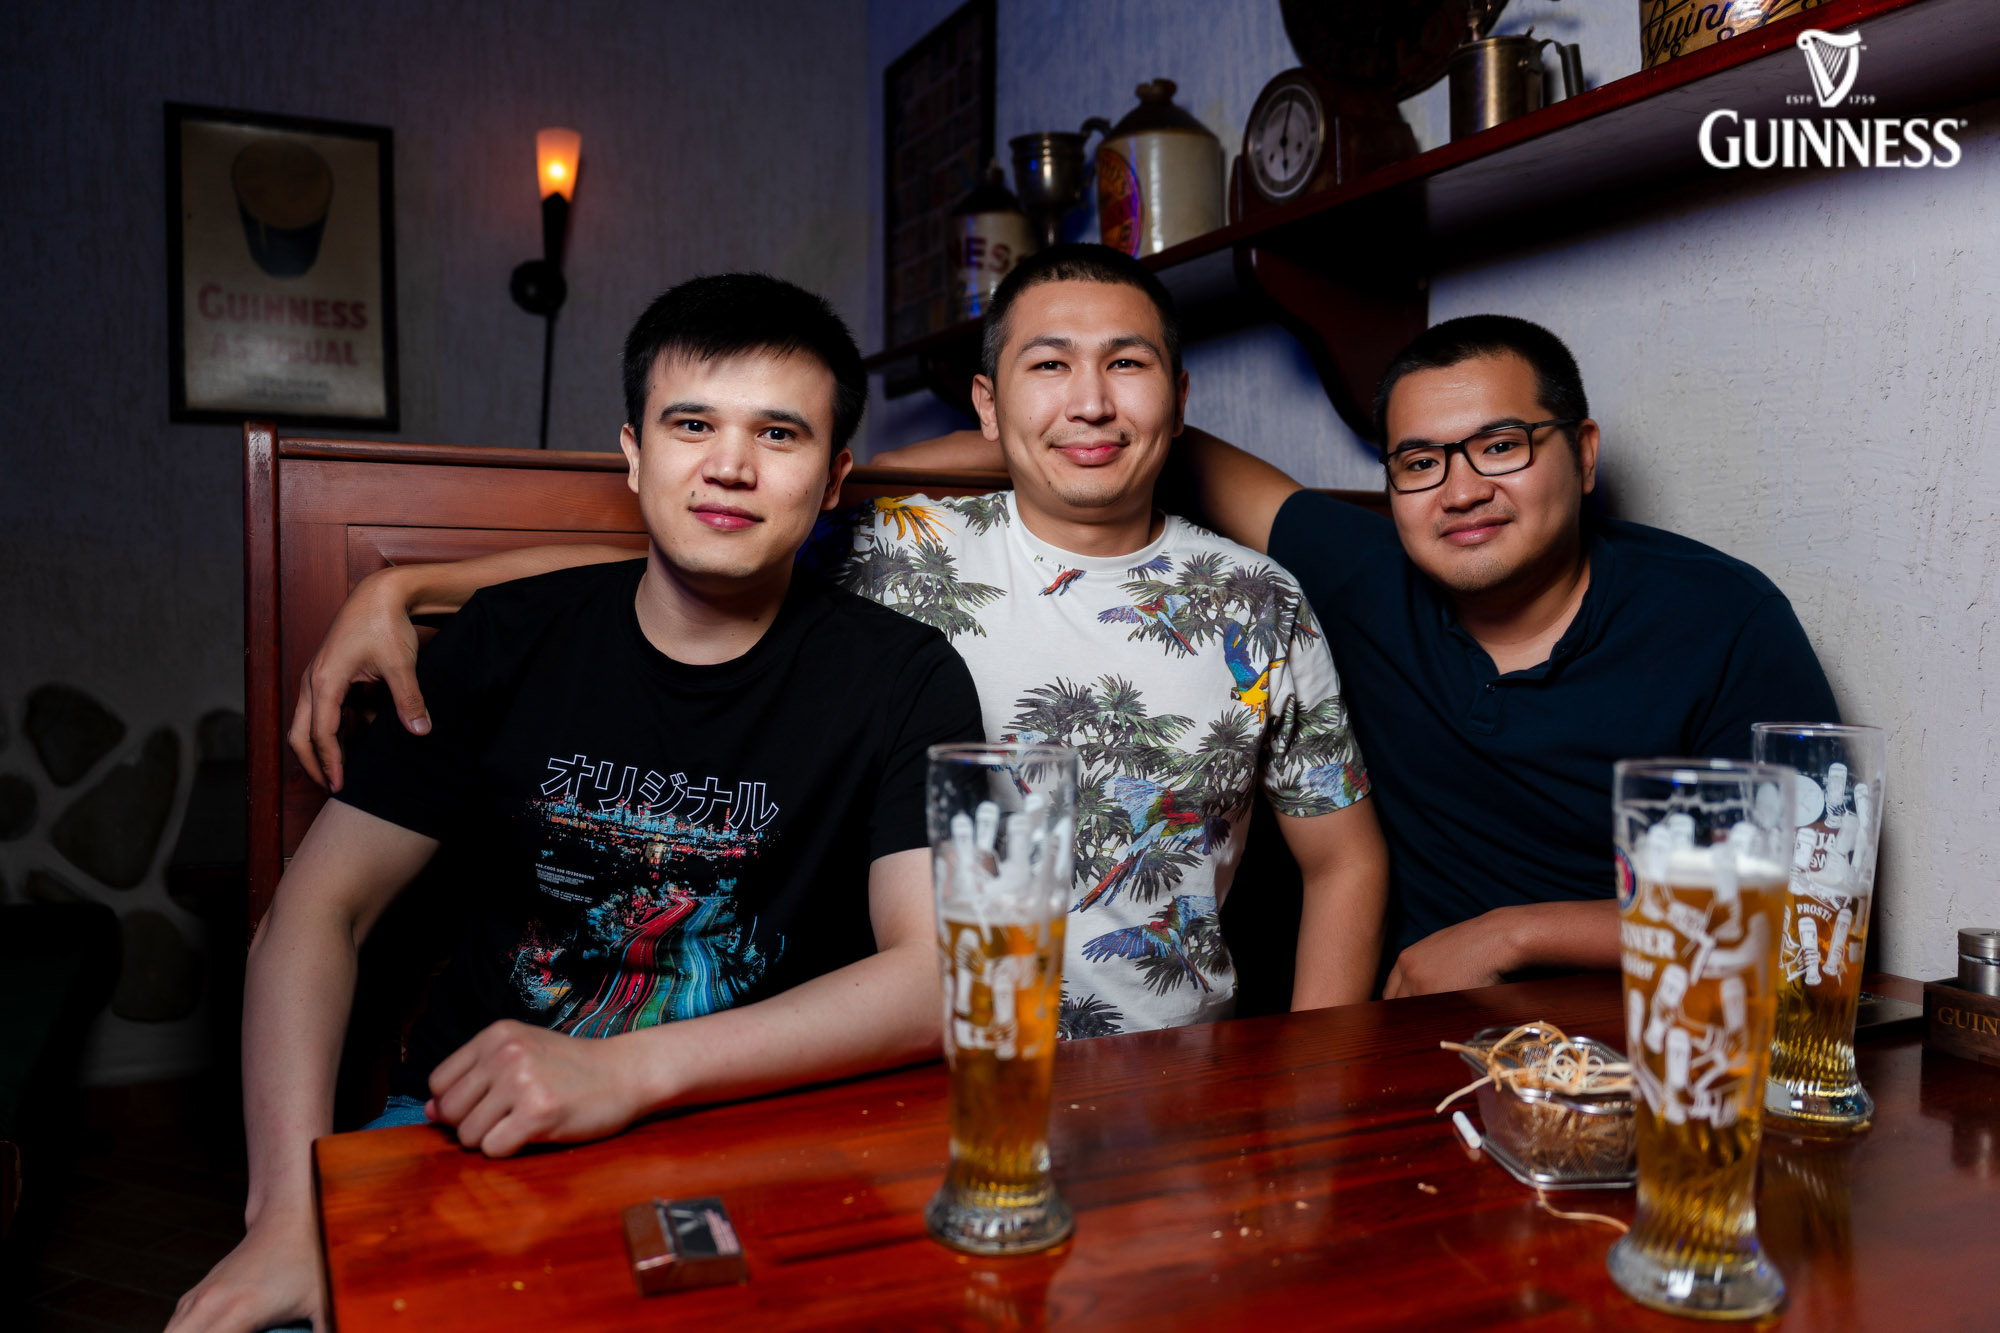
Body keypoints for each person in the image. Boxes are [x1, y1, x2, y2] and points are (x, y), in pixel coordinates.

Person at [287, 245, 1389, 1041]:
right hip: (919, 1060)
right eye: (1049, 365)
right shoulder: (899, 547)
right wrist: (411, 584)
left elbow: (1341, 860)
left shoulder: (1260, 601)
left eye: (1127, 365)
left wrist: (1312, 1083)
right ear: (989, 402)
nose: (1090, 402)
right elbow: (684, 555)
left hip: (1175, 1066)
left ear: (1178, 397)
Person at [168, 274, 984, 1333]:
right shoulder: (506, 641)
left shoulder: (904, 676)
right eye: (691, 424)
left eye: (778, 433)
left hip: (766, 1131)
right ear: (634, 453)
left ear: (832, 481)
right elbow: (317, 911)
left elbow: (934, 981)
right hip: (474, 1126)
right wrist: (286, 1210)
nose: (730, 465)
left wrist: (622, 1072)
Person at [880, 315, 1839, 997]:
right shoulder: (1365, 573)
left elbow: (1810, 909)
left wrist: (1515, 935)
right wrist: (887, 466)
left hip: (1669, 1027)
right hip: (1425, 1045)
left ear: (1584, 455)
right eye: (1420, 462)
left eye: (1502, 446)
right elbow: (1151, 443)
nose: (1461, 489)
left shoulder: (1719, 617)